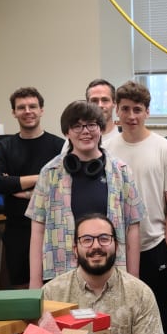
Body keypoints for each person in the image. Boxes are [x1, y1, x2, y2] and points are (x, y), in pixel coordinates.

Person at [27, 101, 142, 288]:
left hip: (111, 273)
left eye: (91, 124)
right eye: (77, 126)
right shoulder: (50, 172)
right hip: (61, 275)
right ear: (67, 132)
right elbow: (37, 229)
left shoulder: (121, 172)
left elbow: (133, 228)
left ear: (101, 129)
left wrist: (134, 281)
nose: (85, 131)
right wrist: (35, 282)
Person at [106, 81, 167, 334]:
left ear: (147, 112)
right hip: (114, 246)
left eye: (137, 110)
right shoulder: (105, 149)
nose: (131, 116)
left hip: (153, 245)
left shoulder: (165, 149)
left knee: (157, 314)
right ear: (117, 110)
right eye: (125, 109)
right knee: (117, 315)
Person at [42, 214, 164, 334]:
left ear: (116, 246)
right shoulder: (51, 294)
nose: (96, 246)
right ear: (75, 250)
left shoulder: (140, 294)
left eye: (104, 239)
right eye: (87, 240)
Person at [0, 87, 64, 287]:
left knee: (54, 288)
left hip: (53, 231)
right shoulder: (5, 147)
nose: (27, 111)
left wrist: (19, 186)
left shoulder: (59, 146)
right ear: (14, 112)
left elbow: (63, 185)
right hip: (17, 231)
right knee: (23, 288)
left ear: (42, 110)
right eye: (21, 107)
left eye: (32, 106)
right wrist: (42, 177)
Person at [86, 79, 122, 146]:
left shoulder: (125, 138)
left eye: (105, 100)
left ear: (114, 103)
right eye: (94, 100)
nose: (100, 105)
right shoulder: (77, 140)